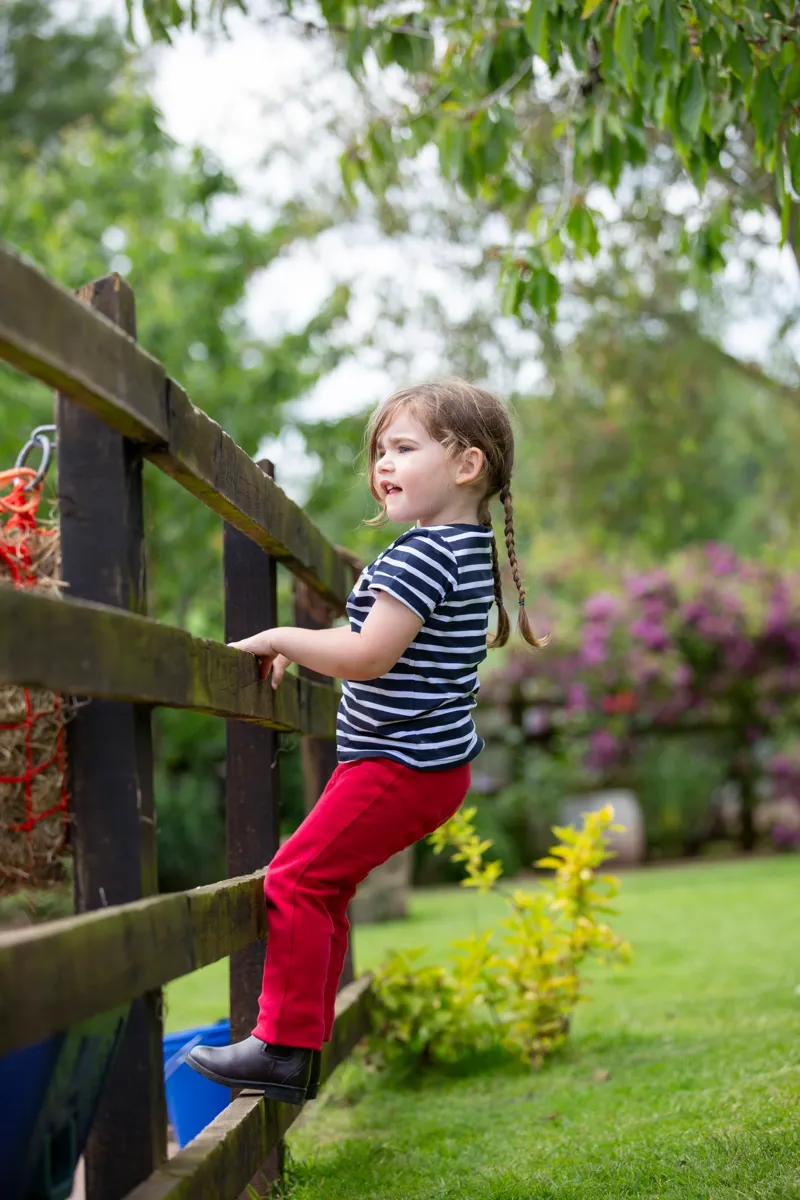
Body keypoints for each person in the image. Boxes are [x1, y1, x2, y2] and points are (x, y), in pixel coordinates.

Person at [187, 378, 543, 1105]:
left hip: (397, 764)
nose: (382, 463)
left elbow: (368, 654)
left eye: (403, 448)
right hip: (421, 767)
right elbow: (372, 637)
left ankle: (282, 1049)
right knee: (325, 886)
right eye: (380, 450)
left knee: (295, 880)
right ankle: (296, 1047)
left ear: (466, 465)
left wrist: (282, 636)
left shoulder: (423, 555)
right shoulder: (462, 548)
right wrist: (310, 645)